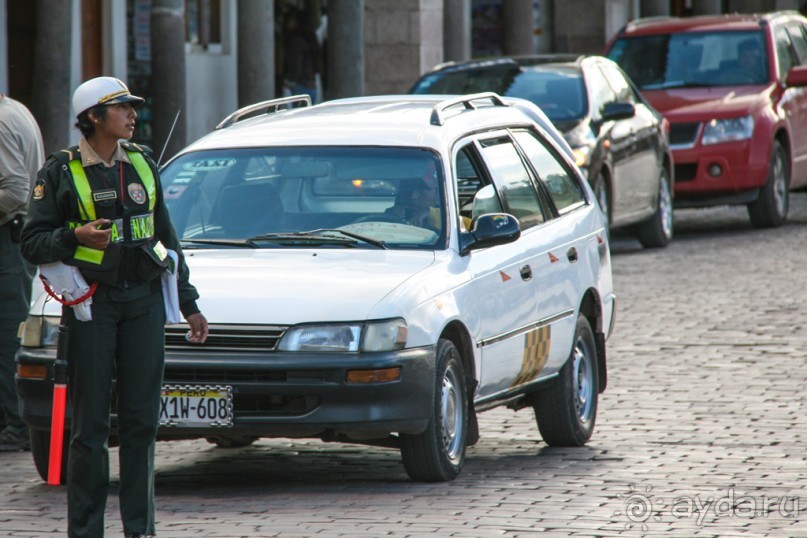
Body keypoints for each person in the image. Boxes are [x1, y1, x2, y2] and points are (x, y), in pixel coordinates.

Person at [20, 76, 209, 538]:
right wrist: (75, 236)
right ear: (93, 118)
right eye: (123, 108)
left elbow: (167, 238)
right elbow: (32, 241)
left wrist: (189, 302)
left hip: (143, 302)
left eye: (132, 107)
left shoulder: (143, 162)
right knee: (89, 427)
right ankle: (86, 531)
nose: (133, 115)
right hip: (92, 307)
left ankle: (140, 529)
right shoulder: (61, 171)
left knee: (143, 422)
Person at [0, 94, 44, 452]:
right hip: (16, 236)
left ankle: (16, 422)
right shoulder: (16, 108)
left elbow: (15, 190)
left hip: (9, 238)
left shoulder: (2, 119)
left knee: (8, 333)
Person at [282, 8, 321, 102]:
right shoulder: (311, 39)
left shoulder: (296, 42)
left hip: (300, 85)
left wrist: (288, 82)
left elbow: (296, 65)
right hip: (312, 85)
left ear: (297, 22)